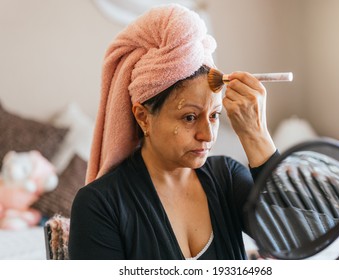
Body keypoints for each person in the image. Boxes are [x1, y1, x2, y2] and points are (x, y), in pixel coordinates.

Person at [68, 4, 278, 260]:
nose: (208, 135)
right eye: (189, 117)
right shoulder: (101, 204)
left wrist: (256, 136)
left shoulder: (228, 178)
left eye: (214, 116)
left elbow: (295, 240)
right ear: (143, 117)